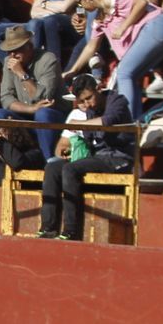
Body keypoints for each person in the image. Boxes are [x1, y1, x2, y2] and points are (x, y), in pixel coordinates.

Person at [38, 74, 134, 240]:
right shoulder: (90, 110)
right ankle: (48, 227)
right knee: (53, 167)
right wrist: (73, 149)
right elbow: (90, 139)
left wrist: (78, 124)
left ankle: (71, 230)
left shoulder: (117, 100)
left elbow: (108, 121)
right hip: (98, 156)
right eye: (82, 101)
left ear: (98, 89)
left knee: (70, 169)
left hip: (118, 157)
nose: (87, 104)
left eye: (89, 98)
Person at [64, 0, 163, 114]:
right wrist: (74, 70)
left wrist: (123, 27)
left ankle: (127, 120)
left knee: (124, 73)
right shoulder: (99, 17)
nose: (80, 8)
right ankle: (135, 120)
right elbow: (91, 46)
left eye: (79, 3)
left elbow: (141, 2)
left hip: (158, 25)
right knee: (131, 75)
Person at [0, 25, 65, 163]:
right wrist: (31, 109)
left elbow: (44, 98)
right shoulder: (9, 62)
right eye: (9, 51)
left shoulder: (48, 59)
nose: (13, 55)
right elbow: (6, 98)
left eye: (17, 50)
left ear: (29, 46)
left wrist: (21, 73)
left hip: (54, 116)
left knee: (43, 113)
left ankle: (49, 163)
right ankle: (3, 163)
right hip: (25, 115)